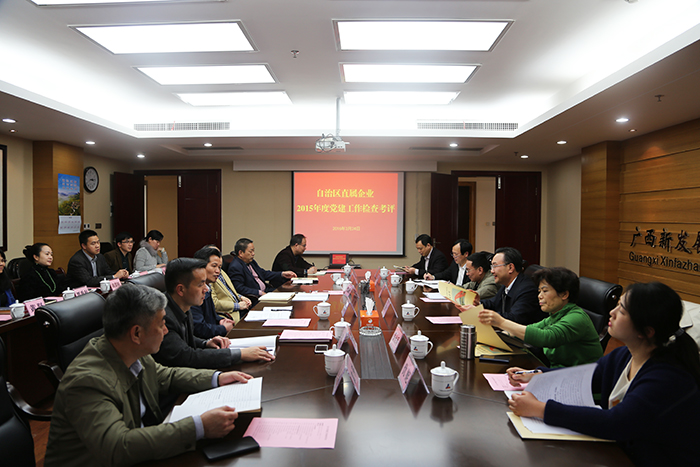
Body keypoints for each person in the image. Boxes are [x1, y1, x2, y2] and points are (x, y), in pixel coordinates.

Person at [44, 283, 253, 467]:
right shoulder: (87, 380)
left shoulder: (131, 351)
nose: (166, 330)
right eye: (161, 324)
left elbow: (166, 376)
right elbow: (118, 447)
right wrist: (199, 427)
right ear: (136, 333)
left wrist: (217, 378)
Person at [507, 282, 700, 466]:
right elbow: (582, 377)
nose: (611, 312)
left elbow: (616, 422)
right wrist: (537, 374)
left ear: (646, 331)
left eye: (622, 311)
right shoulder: (624, 355)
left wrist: (541, 409)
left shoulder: (667, 378)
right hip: (618, 455)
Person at [153, 257, 274, 369]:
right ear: (181, 289)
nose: (206, 289)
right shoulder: (162, 317)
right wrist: (240, 354)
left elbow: (184, 340)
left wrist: (205, 343)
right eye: (201, 284)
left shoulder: (182, 305)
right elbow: (187, 357)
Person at [478, 267, 602, 368]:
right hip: (557, 373)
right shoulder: (555, 316)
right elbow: (530, 329)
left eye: (545, 291)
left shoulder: (577, 318)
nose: (539, 296)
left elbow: (546, 337)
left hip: (580, 381)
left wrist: (501, 322)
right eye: (539, 291)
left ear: (564, 294)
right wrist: (499, 335)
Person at [459, 247, 544, 325]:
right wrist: (478, 303)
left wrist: (480, 313)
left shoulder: (527, 290)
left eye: (495, 266)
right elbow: (493, 303)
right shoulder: (506, 284)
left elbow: (513, 318)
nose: (492, 271)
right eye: (492, 266)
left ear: (510, 267)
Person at [228, 238, 296, 305]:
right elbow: (239, 288)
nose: (253, 254)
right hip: (256, 298)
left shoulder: (251, 262)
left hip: (266, 291)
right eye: (250, 251)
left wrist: (282, 274)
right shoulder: (235, 267)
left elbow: (263, 273)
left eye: (253, 251)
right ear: (240, 253)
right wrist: (259, 292)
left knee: (291, 294)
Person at [190, 247, 235, 338]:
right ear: (201, 266)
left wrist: (221, 320)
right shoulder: (193, 292)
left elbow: (211, 316)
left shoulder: (208, 287)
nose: (218, 271)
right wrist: (223, 328)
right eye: (214, 266)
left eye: (219, 267)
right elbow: (199, 328)